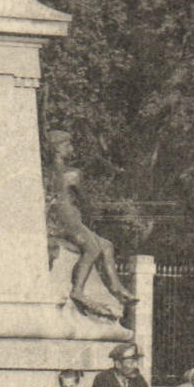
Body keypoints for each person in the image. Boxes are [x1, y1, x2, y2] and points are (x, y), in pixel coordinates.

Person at [44, 130, 139, 319]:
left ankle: (116, 287)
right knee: (93, 248)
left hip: (59, 218)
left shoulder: (45, 173)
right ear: (57, 148)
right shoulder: (73, 174)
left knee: (107, 245)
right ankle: (78, 290)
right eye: (68, 145)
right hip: (70, 218)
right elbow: (84, 200)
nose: (71, 149)